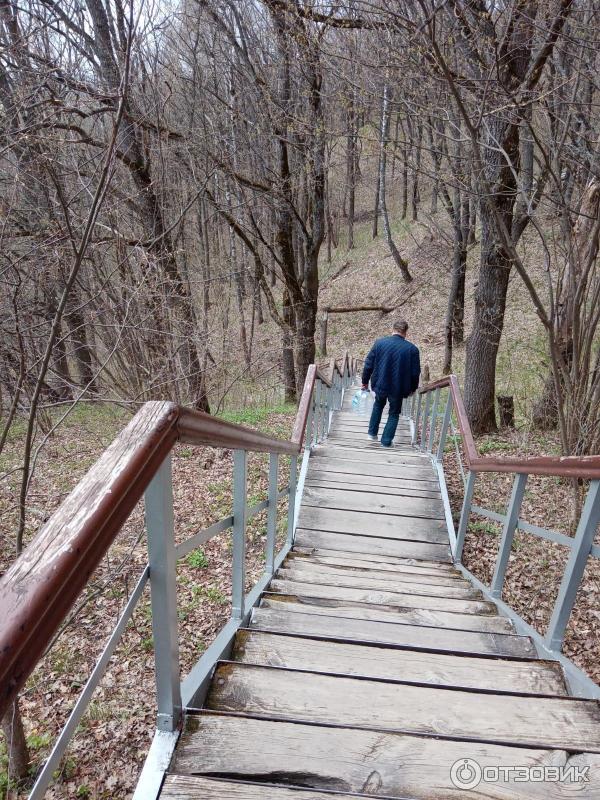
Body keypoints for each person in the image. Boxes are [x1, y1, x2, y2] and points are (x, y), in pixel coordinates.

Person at [361, 319, 421, 447]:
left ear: (393, 329)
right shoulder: (412, 349)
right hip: (398, 387)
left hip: (380, 383)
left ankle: (372, 434)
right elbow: (415, 373)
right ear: (405, 332)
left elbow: (368, 364)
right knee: (394, 412)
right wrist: (413, 388)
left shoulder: (379, 343)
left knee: (378, 405)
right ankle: (386, 441)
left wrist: (364, 382)